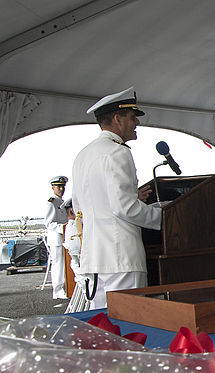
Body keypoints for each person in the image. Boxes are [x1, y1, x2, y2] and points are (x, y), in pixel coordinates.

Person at [72, 87, 161, 309]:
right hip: (121, 257)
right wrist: (166, 217)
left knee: (104, 325)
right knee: (129, 323)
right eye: (132, 118)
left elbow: (80, 206)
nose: (137, 123)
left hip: (94, 256)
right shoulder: (118, 152)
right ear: (117, 119)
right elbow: (126, 209)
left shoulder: (83, 155)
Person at [61, 198, 90, 312]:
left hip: (83, 273)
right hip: (86, 274)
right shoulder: (74, 229)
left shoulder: (73, 227)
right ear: (73, 212)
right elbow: (79, 251)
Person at [44, 175, 69, 300]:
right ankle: (58, 291)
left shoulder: (62, 202)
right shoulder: (51, 202)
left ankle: (65, 288)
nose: (61, 189)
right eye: (58, 186)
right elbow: (49, 223)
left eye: (62, 186)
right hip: (56, 239)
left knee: (64, 265)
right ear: (53, 187)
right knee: (58, 265)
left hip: (63, 239)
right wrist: (63, 228)